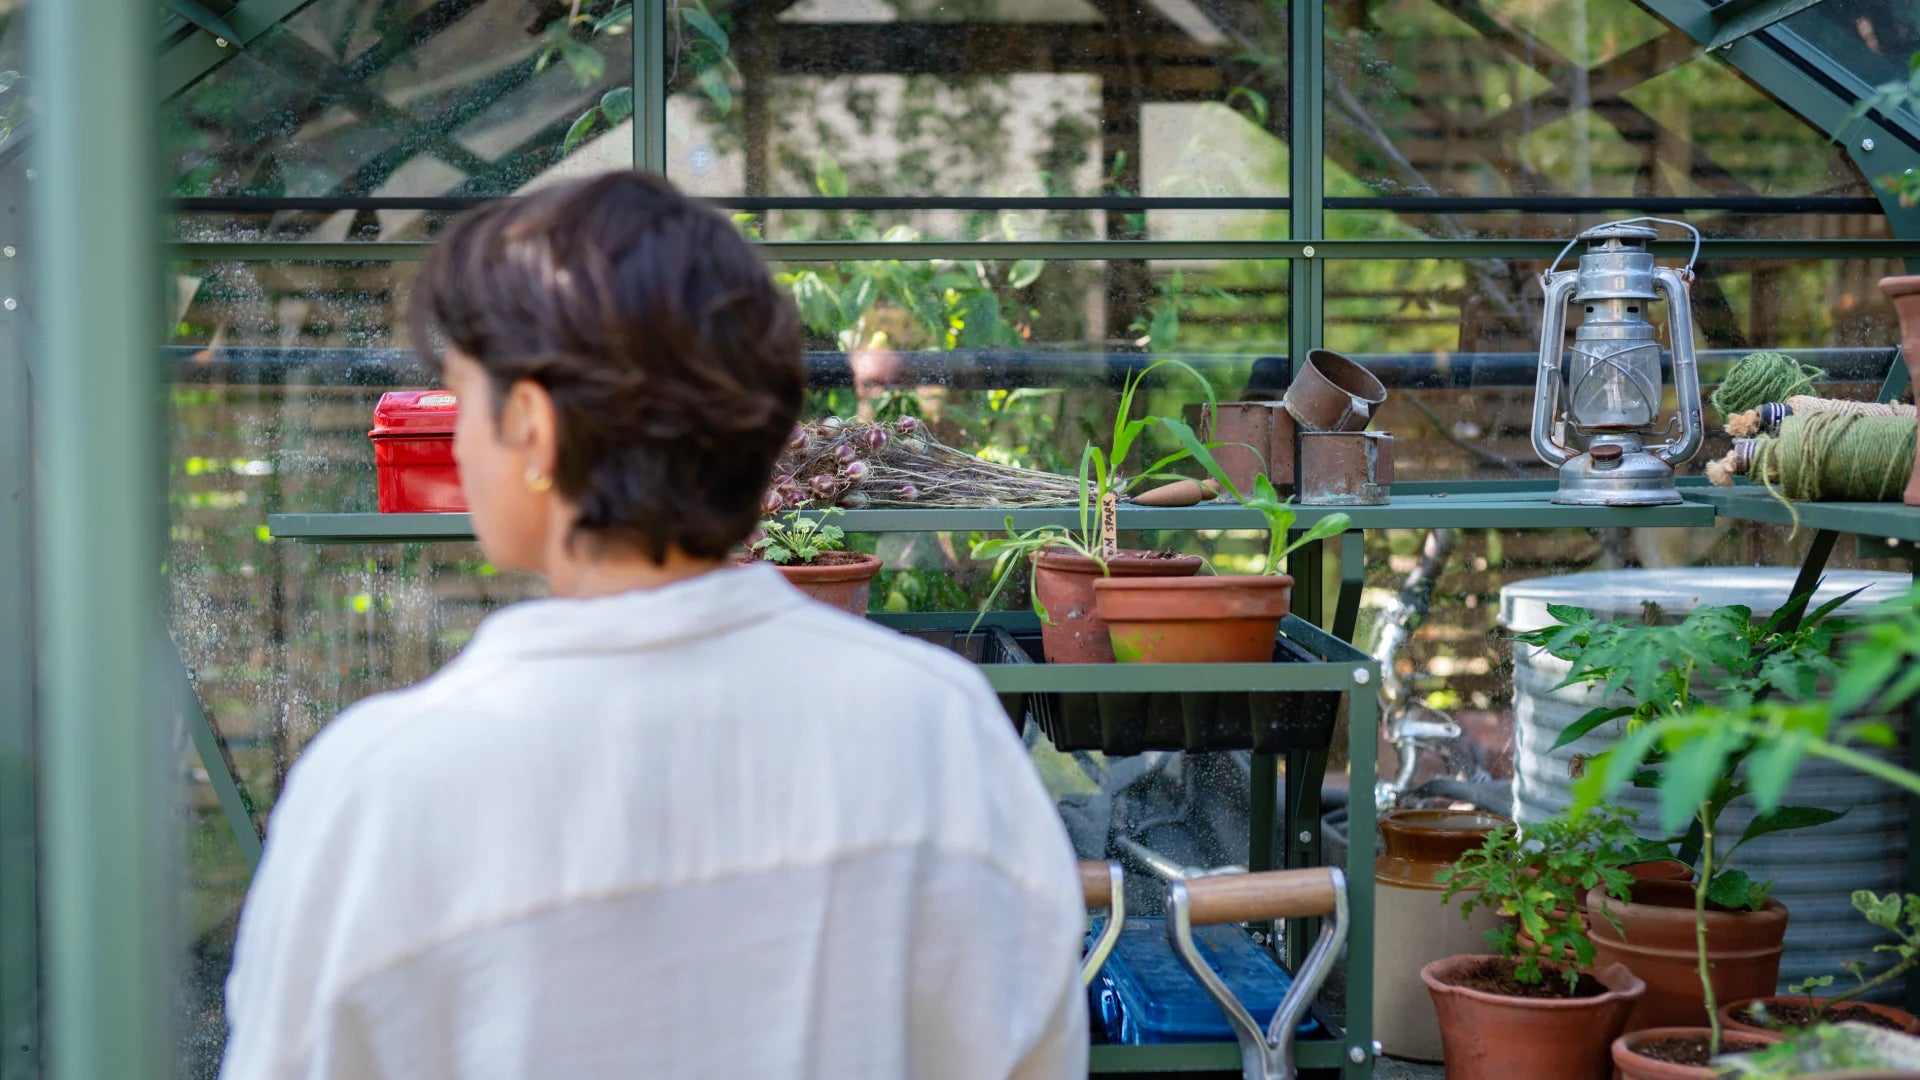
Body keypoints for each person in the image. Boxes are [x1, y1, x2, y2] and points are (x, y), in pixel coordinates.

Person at [221, 172, 1088, 1079]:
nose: (454, 437)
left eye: (458, 396)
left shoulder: (384, 790)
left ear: (532, 429)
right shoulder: (940, 731)